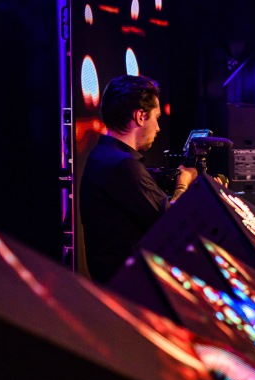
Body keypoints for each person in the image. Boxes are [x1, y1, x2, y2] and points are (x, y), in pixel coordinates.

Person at [80, 75, 198, 284]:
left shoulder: (101, 155)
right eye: (156, 118)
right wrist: (184, 181)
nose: (158, 128)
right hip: (130, 287)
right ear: (141, 116)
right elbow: (173, 219)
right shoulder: (123, 165)